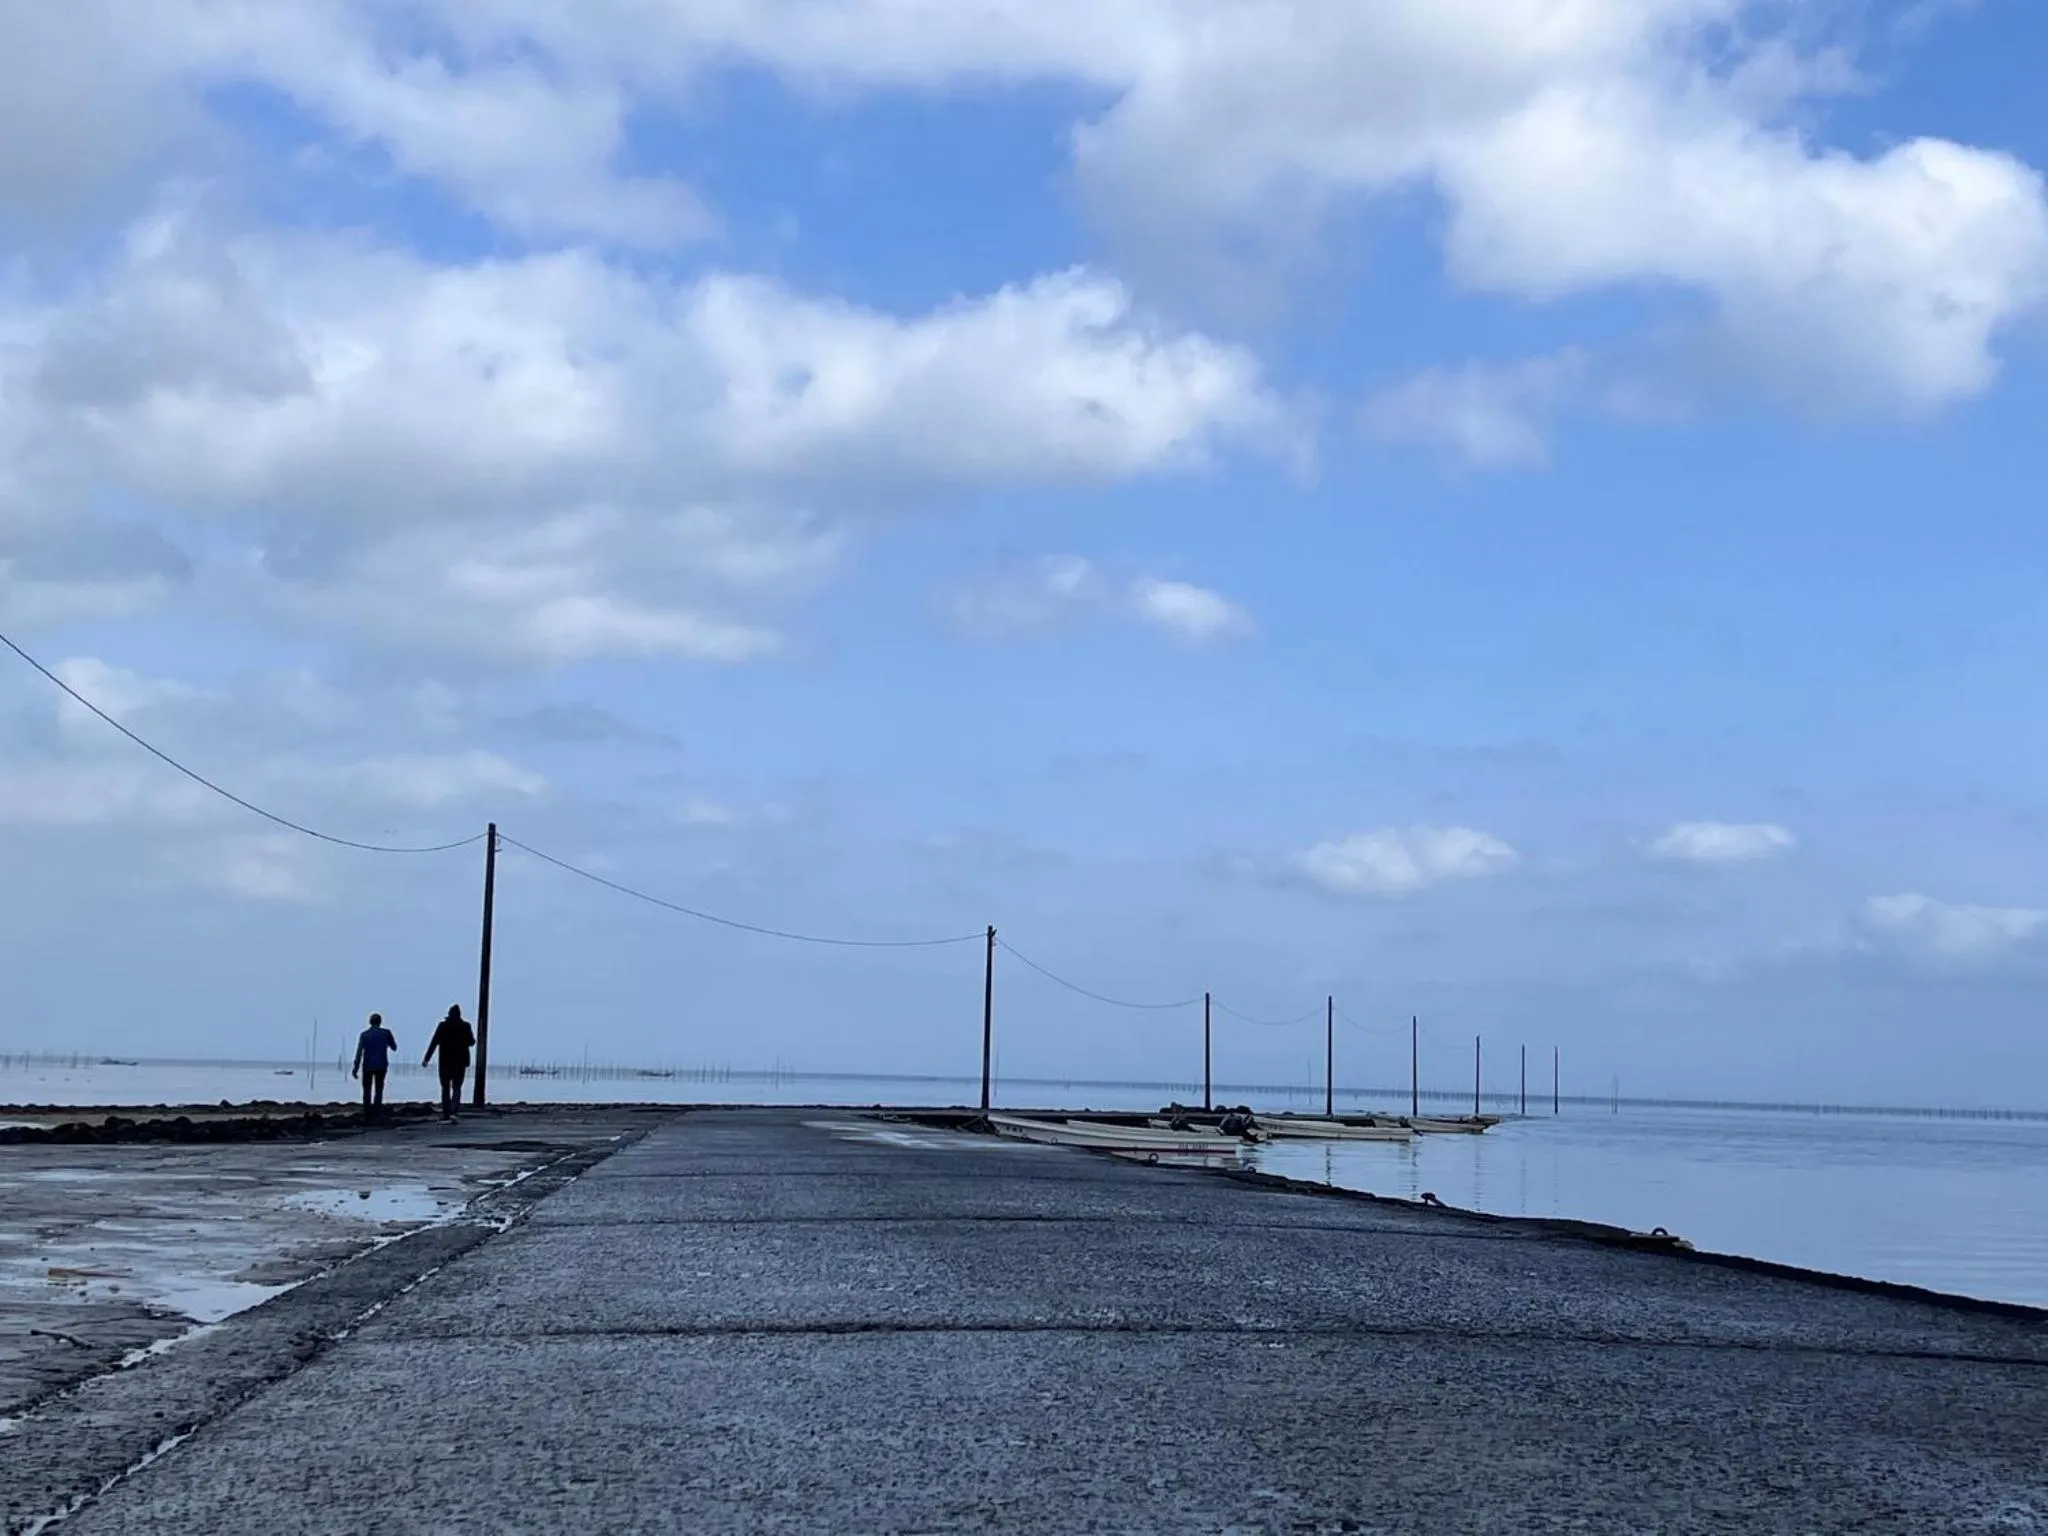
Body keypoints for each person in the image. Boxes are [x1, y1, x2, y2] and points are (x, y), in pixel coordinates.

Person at [423, 1004, 475, 1118]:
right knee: (457, 1087)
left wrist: (427, 1059)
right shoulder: (465, 1026)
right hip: (460, 1061)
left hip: (445, 1061)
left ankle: (446, 1112)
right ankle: (454, 1110)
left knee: (445, 1087)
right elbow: (471, 1042)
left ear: (449, 1014)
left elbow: (434, 1042)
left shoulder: (443, 1026)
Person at [352, 1012, 398, 1119]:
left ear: (370, 1022)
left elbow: (359, 1052)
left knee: (366, 1090)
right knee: (379, 1089)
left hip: (367, 1065)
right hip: (381, 1065)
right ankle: (377, 1112)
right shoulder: (386, 1033)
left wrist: (355, 1068)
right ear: (380, 1022)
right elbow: (394, 1047)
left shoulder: (364, 1035)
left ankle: (367, 1113)